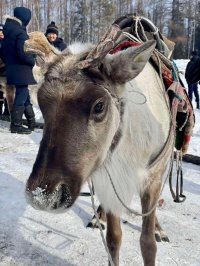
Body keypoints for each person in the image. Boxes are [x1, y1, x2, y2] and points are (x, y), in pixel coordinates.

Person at [1, 7, 36, 134]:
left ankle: (31, 122)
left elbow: (3, 53)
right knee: (21, 95)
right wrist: (33, 60)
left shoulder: (8, 31)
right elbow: (24, 53)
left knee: (24, 94)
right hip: (21, 70)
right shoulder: (20, 33)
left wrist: (10, 63)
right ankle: (16, 125)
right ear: (25, 19)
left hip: (11, 68)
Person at [0, 23, 10, 119]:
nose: (1, 33)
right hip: (1, 71)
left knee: (7, 92)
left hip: (7, 71)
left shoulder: (7, 42)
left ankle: (7, 111)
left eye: (2, 31)